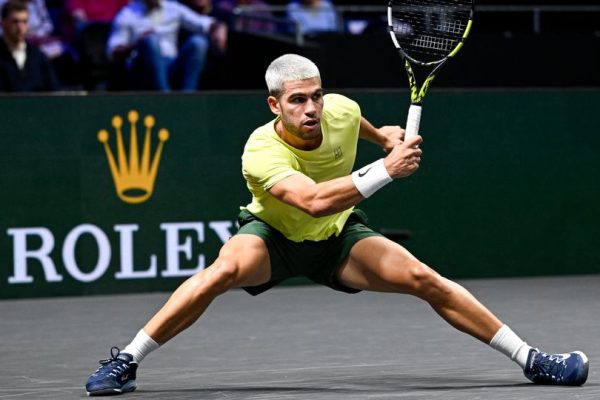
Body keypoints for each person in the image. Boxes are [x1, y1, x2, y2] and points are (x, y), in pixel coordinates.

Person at [84, 53, 589, 396]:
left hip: (338, 240)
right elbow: (314, 201)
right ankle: (126, 360)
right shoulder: (260, 150)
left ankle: (532, 360)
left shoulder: (341, 110)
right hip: (273, 239)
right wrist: (385, 170)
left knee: (424, 278)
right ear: (274, 104)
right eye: (297, 100)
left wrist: (383, 138)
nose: (312, 108)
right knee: (219, 273)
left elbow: (357, 127)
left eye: (317, 96)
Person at [107, 0, 227, 91]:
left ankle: (188, 97)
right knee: (151, 41)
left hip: (171, 65)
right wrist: (138, 44)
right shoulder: (127, 14)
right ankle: (165, 96)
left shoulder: (172, 7)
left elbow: (204, 23)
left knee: (198, 42)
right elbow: (114, 51)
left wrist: (219, 28)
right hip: (142, 69)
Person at [0, 0, 59, 91]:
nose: (20, 27)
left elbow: (54, 93)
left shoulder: (39, 58)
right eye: (15, 22)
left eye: (24, 22)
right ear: (3, 22)